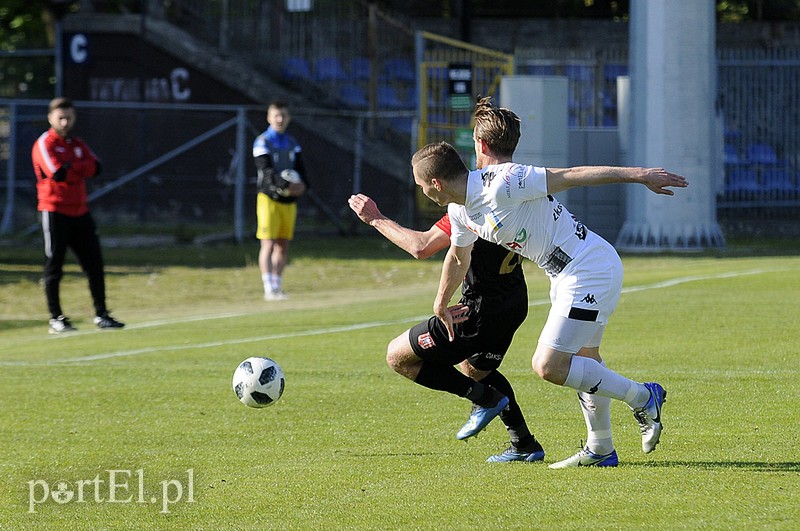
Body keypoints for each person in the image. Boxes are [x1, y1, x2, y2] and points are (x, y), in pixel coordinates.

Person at [411, 99, 688, 468]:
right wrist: (440, 302)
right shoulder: (460, 209)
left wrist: (639, 174)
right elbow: (459, 258)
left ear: (434, 182)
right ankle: (601, 448)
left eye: (419, 184)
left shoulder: (504, 181)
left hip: (589, 267)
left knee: (549, 366)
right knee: (587, 362)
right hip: (565, 273)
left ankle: (643, 397)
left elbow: (572, 174)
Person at [348, 193, 544, 462]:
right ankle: (524, 443)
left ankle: (484, 398)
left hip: (476, 312)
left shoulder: (470, 206)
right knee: (475, 368)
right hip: (514, 302)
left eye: (425, 184)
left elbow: (421, 246)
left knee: (398, 357)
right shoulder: (515, 193)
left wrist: (376, 219)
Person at [31, 97, 125, 334]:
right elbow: (58, 173)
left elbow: (97, 168)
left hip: (80, 211)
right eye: (60, 117)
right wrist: (77, 167)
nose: (65, 121)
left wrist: (73, 166)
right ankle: (56, 318)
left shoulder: (77, 143)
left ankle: (101, 314)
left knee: (94, 264)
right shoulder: (45, 143)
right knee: (54, 266)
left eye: (69, 117)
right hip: (54, 211)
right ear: (50, 118)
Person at [253, 100, 308, 301]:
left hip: (289, 202)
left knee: (282, 245)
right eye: (276, 115)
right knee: (267, 243)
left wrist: (303, 186)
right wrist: (284, 185)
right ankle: (268, 287)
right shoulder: (262, 142)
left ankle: (277, 285)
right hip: (268, 199)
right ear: (268, 117)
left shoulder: (292, 143)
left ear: (288, 118)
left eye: (283, 115)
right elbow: (266, 172)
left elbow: (302, 171)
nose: (279, 119)